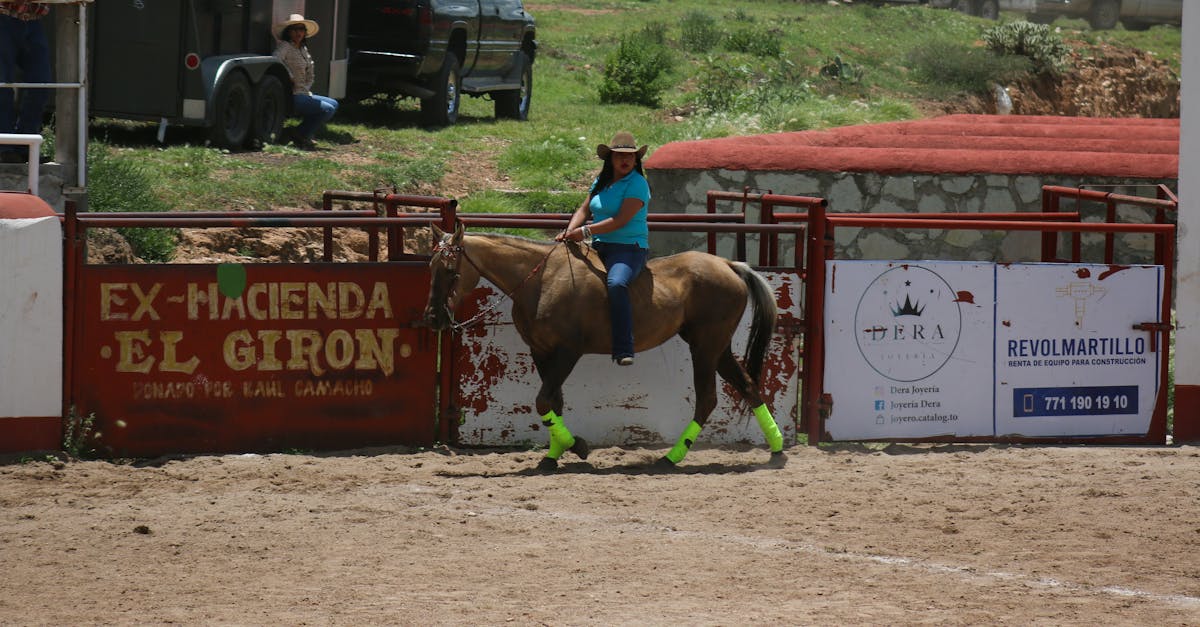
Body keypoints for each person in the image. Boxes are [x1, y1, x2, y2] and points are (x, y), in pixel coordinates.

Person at [557, 131, 651, 366]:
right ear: (610, 159)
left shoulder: (638, 183)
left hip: (628, 248)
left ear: (636, 160)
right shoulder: (602, 181)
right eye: (619, 155)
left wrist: (584, 232)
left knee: (617, 283)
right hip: (600, 246)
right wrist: (569, 231)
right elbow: (584, 209)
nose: (624, 160)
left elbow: (621, 220)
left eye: (629, 156)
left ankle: (624, 348)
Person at [272, 14, 338, 150]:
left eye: (301, 29)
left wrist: (306, 87)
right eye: (295, 29)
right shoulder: (285, 46)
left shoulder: (303, 49)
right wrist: (289, 76)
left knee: (334, 104)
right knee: (328, 109)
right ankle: (301, 134)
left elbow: (310, 73)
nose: (298, 33)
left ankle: (299, 132)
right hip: (291, 95)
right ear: (288, 32)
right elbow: (275, 60)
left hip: (303, 92)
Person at [0, 1, 51, 164]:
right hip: (3, 16)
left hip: (33, 20)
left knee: (41, 85)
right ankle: (4, 147)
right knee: (2, 87)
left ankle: (26, 145)